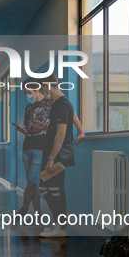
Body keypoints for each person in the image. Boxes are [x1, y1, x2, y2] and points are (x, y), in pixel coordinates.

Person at [33, 74, 84, 237]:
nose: (42, 91)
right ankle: (59, 224)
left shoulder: (61, 104)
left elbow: (61, 133)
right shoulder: (59, 103)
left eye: (42, 87)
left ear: (48, 84)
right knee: (45, 187)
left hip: (58, 156)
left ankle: (61, 227)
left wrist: (51, 158)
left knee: (55, 189)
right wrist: (46, 126)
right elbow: (68, 118)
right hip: (54, 154)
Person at [13, 78, 51, 218]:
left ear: (37, 90)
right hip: (27, 148)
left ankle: (23, 208)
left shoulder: (50, 104)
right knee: (33, 184)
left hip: (40, 149)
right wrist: (23, 130)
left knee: (31, 182)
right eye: (25, 93)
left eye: (29, 92)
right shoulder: (28, 107)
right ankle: (38, 214)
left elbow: (53, 127)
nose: (27, 96)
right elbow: (29, 129)